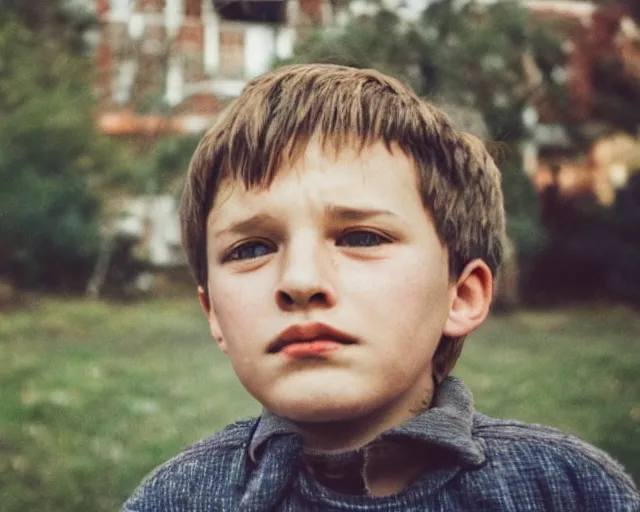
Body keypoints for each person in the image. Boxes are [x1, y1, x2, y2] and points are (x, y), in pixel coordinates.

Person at [123, 64, 639, 511]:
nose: (300, 282)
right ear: (212, 312)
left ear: (461, 295)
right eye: (251, 249)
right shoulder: (175, 499)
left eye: (362, 237)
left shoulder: (569, 489)